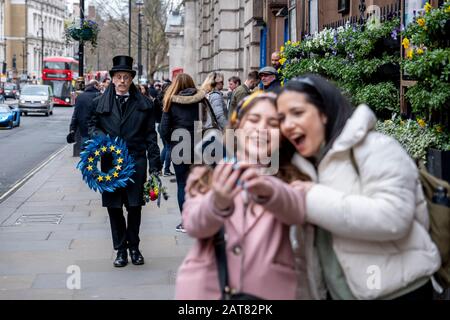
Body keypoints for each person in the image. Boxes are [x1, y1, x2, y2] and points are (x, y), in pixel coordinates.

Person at [276, 74, 441, 300]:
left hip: (399, 291)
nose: (288, 125)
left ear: (323, 113)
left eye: (297, 113)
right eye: (281, 118)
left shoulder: (376, 147)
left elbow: (394, 218)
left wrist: (311, 198)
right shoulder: (303, 166)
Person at [175, 92, 309, 300]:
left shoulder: (293, 175)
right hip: (207, 290)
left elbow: (298, 211)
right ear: (238, 127)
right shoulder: (208, 172)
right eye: (254, 120)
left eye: (272, 123)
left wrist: (269, 189)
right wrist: (216, 203)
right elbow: (193, 224)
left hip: (267, 291)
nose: (261, 129)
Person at [88, 55, 161, 267]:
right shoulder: (98, 103)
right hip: (110, 163)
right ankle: (120, 250)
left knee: (135, 206)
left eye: (126, 77)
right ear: (112, 79)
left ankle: (134, 247)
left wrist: (155, 166)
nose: (122, 81)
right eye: (118, 77)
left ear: (131, 80)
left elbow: (150, 136)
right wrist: (102, 138)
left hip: (136, 162)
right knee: (114, 208)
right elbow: (91, 127)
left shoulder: (145, 104)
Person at [160, 73, 207, 233]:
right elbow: (206, 122)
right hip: (199, 147)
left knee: (182, 184)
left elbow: (163, 129)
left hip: (179, 147)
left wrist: (170, 143)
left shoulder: (170, 101)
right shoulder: (202, 99)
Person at [67, 80, 100, 146]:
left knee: (86, 152)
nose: (100, 87)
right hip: (97, 131)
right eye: (98, 86)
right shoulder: (99, 96)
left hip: (84, 131)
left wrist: (72, 129)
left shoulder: (79, 97)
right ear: (95, 86)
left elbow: (75, 115)